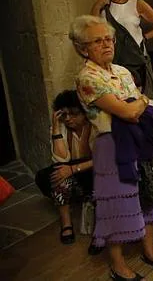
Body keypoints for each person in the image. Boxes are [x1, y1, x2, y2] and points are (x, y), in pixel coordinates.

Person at [70, 15, 153, 280]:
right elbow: (130, 111)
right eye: (98, 41)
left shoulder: (123, 71)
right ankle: (118, 265)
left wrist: (136, 104)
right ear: (83, 48)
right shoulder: (86, 77)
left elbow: (135, 108)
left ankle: (149, 251)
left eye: (109, 39)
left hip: (140, 141)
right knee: (117, 205)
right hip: (110, 146)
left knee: (149, 195)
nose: (106, 45)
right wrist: (141, 101)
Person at [36, 90, 95, 245]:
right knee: (57, 173)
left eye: (74, 114)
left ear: (84, 112)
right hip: (71, 167)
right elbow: (61, 159)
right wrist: (55, 129)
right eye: (64, 114)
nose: (68, 119)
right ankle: (66, 223)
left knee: (65, 172)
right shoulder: (61, 126)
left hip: (92, 167)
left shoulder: (95, 126)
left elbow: (103, 159)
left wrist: (74, 169)